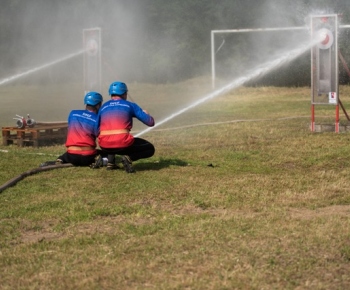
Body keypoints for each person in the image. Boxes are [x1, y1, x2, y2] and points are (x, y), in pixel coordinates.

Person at [95, 81, 155, 173]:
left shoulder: (103, 107)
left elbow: (96, 130)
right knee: (150, 148)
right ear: (124, 93)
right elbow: (150, 122)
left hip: (105, 146)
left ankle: (110, 163)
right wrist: (146, 114)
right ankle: (128, 158)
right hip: (123, 145)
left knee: (111, 137)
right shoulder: (130, 105)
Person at [40, 91, 104, 167]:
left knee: (65, 155)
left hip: (71, 156)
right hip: (88, 156)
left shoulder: (73, 113)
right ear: (98, 106)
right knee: (104, 153)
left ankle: (60, 160)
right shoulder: (97, 119)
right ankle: (101, 161)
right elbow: (100, 136)